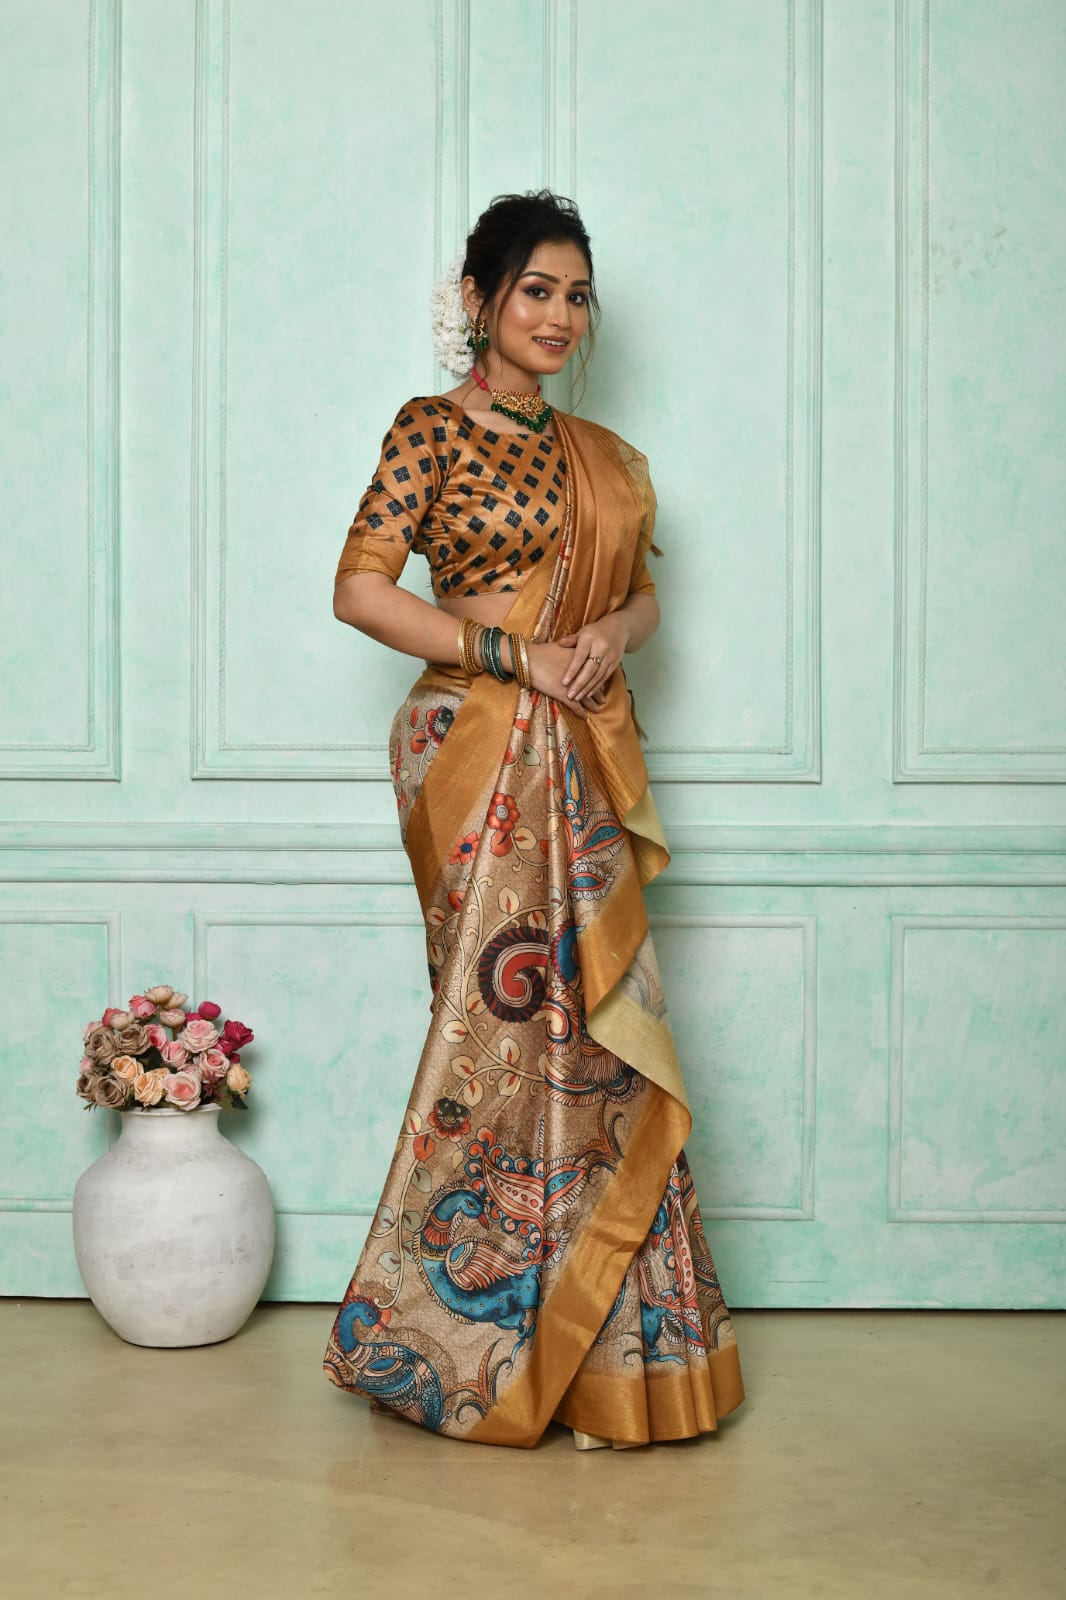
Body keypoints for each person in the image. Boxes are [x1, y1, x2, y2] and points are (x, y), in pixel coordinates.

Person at [322, 190, 745, 1449]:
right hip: (472, 747)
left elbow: (645, 601)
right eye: (534, 291)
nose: (557, 316)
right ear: (479, 299)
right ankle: (459, 1348)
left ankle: (610, 1359)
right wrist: (515, 653)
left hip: (577, 744)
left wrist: (607, 631)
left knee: (597, 1038)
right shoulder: (427, 431)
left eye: (575, 295)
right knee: (492, 1044)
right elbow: (358, 590)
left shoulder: (602, 456)